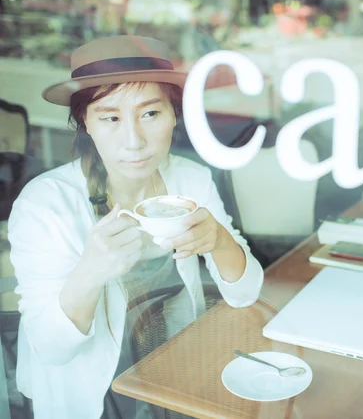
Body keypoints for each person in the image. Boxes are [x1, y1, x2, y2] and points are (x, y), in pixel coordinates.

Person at [7, 35, 264, 419]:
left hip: (174, 378)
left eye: (150, 114)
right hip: (89, 397)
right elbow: (53, 349)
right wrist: (90, 273)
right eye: (110, 117)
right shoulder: (45, 205)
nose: (134, 141)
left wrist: (219, 241)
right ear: (85, 123)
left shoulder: (190, 181)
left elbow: (246, 294)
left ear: (174, 115)